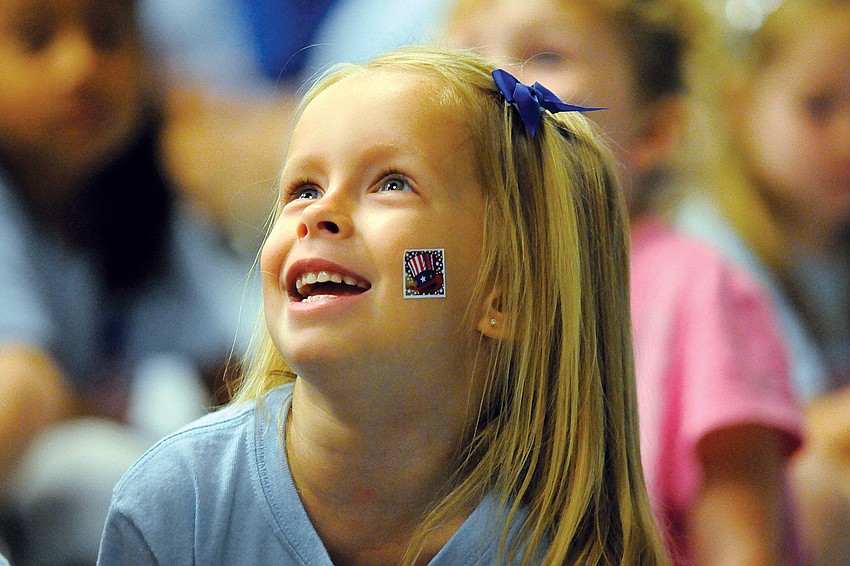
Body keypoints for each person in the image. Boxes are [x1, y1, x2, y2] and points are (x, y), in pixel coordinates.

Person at [97, 45, 668, 565]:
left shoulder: (567, 551)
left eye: (391, 183)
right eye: (303, 189)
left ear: (508, 293)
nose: (318, 214)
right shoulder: (177, 505)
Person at [444, 0, 805, 563]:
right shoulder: (440, 282)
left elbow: (744, 547)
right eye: (464, 54)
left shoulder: (697, 290)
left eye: (546, 53)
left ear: (656, 129)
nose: (491, 81)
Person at [0, 0, 254, 563]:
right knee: (91, 471)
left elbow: (235, 371)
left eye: (108, 36)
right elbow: (23, 389)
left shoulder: (141, 197)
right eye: (36, 41)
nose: (79, 66)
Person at [673, 0, 850, 562]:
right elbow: (797, 436)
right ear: (740, 105)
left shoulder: (828, 235)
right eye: (819, 107)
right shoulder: (711, 253)